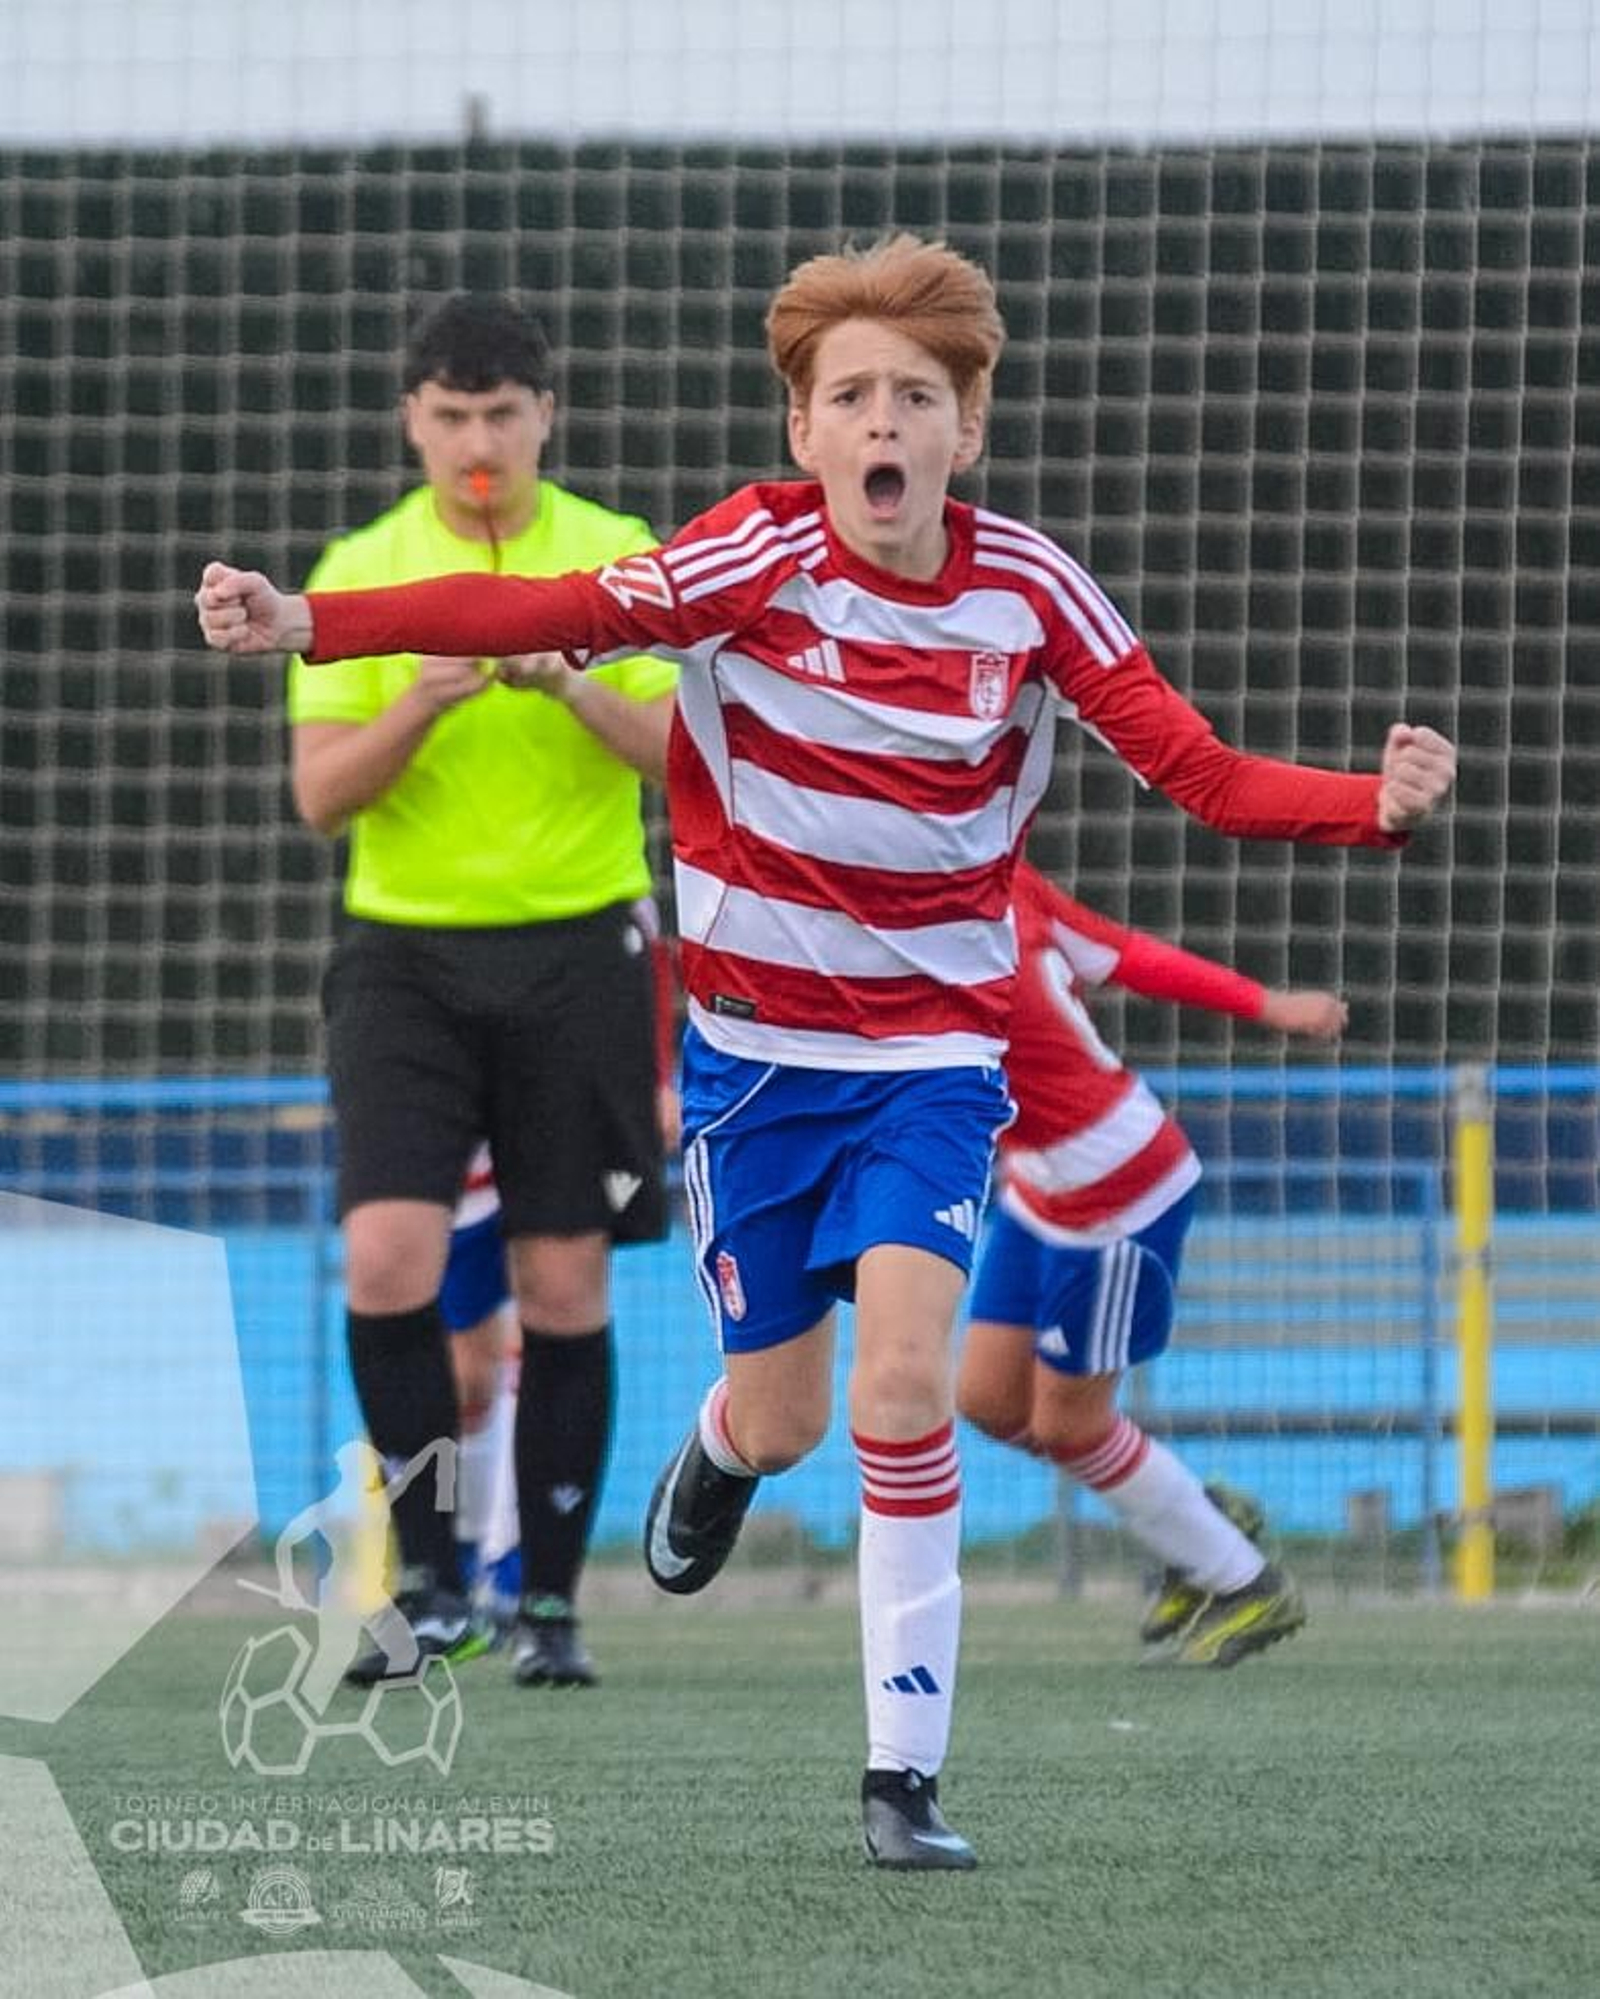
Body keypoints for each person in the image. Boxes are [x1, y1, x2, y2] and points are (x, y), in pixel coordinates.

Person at [197, 233, 1456, 1870]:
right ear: (805, 431)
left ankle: (902, 1779)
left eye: (915, 395)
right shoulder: (746, 558)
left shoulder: (1034, 590)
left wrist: (1371, 803)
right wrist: (312, 618)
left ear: (964, 429)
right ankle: (718, 1452)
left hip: (935, 1069)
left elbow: (1198, 772)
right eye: (850, 392)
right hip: (751, 1069)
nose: (883, 418)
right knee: (782, 1416)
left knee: (911, 1387)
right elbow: (539, 602)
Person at [281, 293, 677, 1693]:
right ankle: (430, 1579)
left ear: (543, 416)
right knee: (387, 1260)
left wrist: (572, 683)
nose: (477, 443)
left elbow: (679, 754)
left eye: (501, 414)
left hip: (578, 948)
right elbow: (321, 797)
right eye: (449, 417)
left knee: (562, 1285)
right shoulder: (362, 568)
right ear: (412, 421)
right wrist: (422, 695)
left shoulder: (614, 556)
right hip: (404, 958)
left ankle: (549, 1605)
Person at [956, 861, 1346, 1667]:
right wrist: (1268, 1003)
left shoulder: (959, 914)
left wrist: (1267, 1005)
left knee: (1070, 1424)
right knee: (990, 1401)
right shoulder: (986, 881)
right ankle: (1195, 1517)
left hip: (1117, 1191)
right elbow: (1123, 954)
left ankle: (1243, 1579)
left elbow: (1125, 954)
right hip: (1041, 1187)